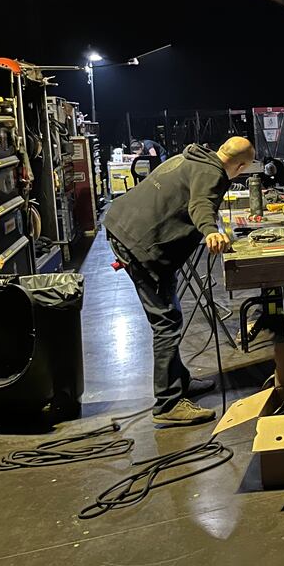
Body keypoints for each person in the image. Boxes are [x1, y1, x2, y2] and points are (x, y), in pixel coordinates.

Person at [105, 137, 255, 426]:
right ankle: (168, 403)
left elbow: (194, 197)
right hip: (140, 244)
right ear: (240, 166)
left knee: (170, 311)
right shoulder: (212, 173)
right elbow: (201, 203)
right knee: (167, 322)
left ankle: (179, 380)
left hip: (124, 226)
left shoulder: (193, 157)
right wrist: (211, 231)